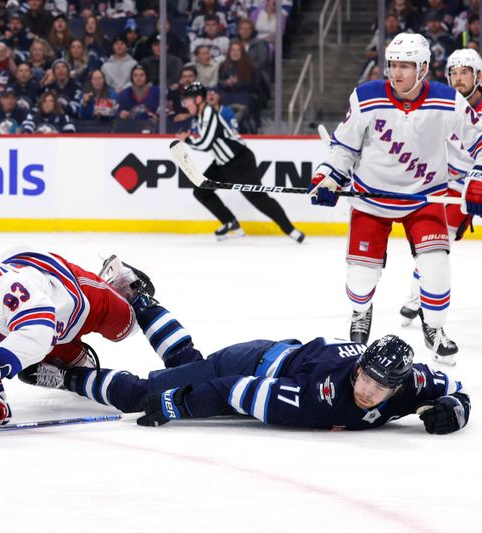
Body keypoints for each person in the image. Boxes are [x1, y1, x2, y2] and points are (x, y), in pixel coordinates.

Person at [26, 256, 471, 435]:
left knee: (187, 363)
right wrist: (175, 406)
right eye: (365, 379)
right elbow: (235, 391)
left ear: (400, 385)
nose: (369, 392)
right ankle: (69, 374)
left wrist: (455, 408)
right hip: (256, 365)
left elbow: (455, 385)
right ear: (358, 369)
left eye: (380, 388)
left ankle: (138, 296)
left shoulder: (411, 381)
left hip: (278, 356)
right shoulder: (321, 397)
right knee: (144, 394)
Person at [308, 34, 482, 365]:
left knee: (435, 267)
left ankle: (434, 328)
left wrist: (478, 177)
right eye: (393, 65)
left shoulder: (448, 102)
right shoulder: (366, 96)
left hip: (425, 197)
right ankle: (361, 312)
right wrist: (328, 176)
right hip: (371, 199)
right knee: (360, 277)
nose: (397, 73)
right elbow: (344, 147)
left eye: (406, 66)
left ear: (424, 68)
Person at [0, 248, 142, 428]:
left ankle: (113, 283)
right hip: (49, 334)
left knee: (129, 325)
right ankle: (67, 374)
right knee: (74, 371)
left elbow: (37, 335)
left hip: (76, 302)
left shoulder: (7, 289)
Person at [399, 48, 481, 333]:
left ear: (478, 77)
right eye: (453, 73)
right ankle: (417, 297)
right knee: (435, 243)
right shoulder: (441, 105)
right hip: (454, 186)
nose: (458, 79)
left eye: (465, 73)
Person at [177, 81, 305, 242]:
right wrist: (189, 140)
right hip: (222, 163)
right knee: (201, 191)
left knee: (259, 199)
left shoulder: (208, 113)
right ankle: (231, 223)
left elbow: (205, 144)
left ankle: (291, 230)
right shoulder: (201, 116)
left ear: (197, 99)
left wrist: (187, 140)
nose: (185, 104)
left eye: (187, 100)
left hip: (240, 161)